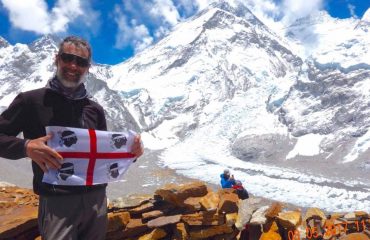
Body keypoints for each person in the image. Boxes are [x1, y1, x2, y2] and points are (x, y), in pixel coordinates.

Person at [0, 36, 144, 239]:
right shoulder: (31, 101)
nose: (73, 65)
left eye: (81, 62)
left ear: (88, 68)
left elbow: (105, 154)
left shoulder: (95, 110)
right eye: (68, 58)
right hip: (57, 201)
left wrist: (132, 153)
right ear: (56, 59)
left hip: (96, 200)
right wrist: (26, 147)